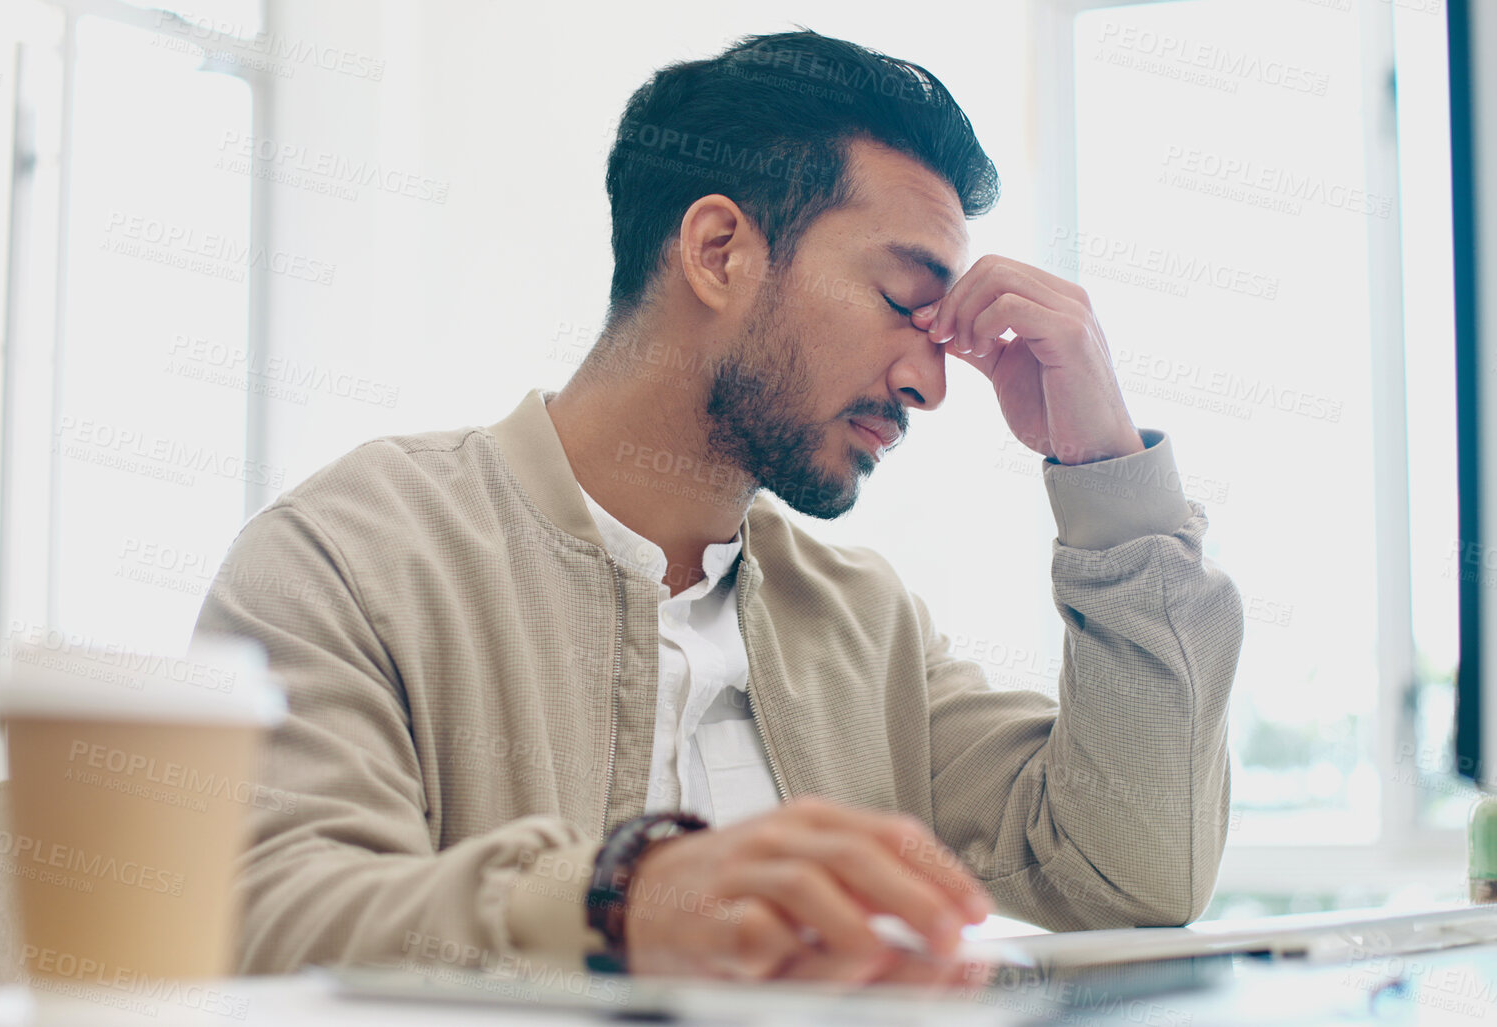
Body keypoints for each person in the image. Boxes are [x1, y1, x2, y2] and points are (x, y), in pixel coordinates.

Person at [194, 28, 1243, 987]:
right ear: (719, 251)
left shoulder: (865, 622)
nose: (932, 382)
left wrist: (1106, 467)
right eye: (900, 301)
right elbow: (267, 913)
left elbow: (1136, 870)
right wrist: (623, 895)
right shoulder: (349, 556)